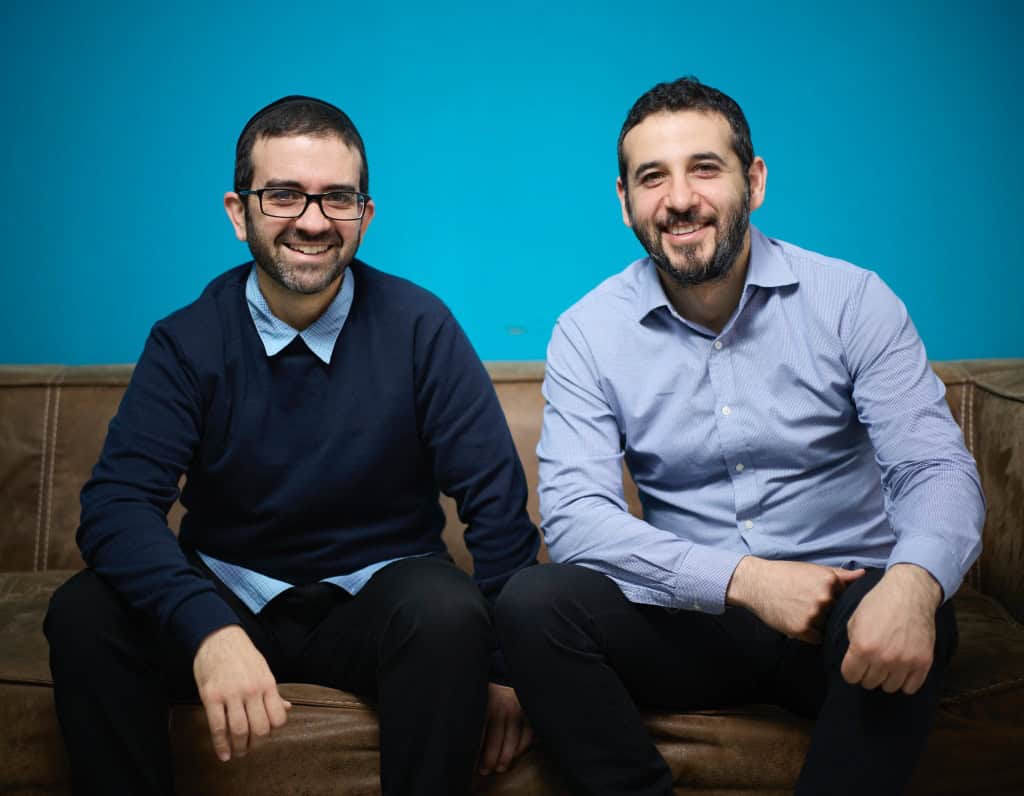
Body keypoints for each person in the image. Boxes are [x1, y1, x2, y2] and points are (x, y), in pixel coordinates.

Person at [496, 77, 984, 795]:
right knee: (531, 606)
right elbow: (576, 521)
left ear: (752, 182)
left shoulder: (852, 300)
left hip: (848, 612)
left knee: (921, 605)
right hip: (694, 623)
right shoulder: (588, 332)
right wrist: (747, 582)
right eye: (652, 177)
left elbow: (935, 468)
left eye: (705, 168)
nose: (681, 199)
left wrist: (912, 585)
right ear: (624, 201)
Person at [44, 95, 537, 796]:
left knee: (448, 612)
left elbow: (496, 506)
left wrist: (508, 668)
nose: (312, 221)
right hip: (232, 592)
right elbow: (115, 506)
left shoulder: (421, 327)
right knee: (84, 614)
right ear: (238, 211)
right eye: (283, 196)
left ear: (365, 215)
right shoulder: (188, 340)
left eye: (336, 198)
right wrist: (207, 628)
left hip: (382, 599)